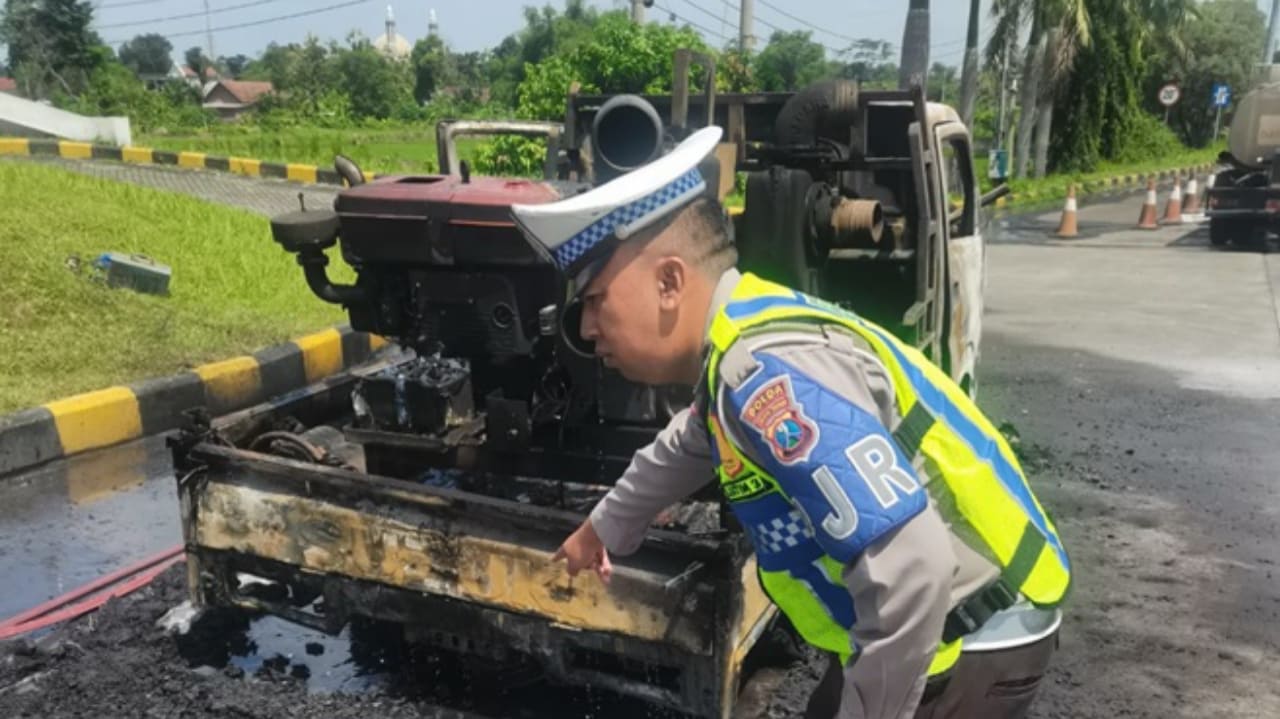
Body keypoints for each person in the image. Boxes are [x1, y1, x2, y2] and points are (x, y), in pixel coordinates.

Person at [510, 126, 1071, 719]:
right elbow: (693, 438)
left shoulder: (765, 376)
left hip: (967, 638)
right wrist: (604, 528)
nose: (588, 328)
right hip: (925, 627)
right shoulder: (739, 341)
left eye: (595, 300)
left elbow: (914, 573)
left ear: (670, 282)